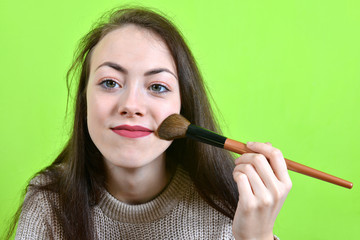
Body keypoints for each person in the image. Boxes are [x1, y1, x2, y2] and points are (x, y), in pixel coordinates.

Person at [10, 7, 292, 240]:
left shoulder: (229, 207)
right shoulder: (49, 202)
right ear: (84, 99)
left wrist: (257, 237)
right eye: (110, 82)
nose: (131, 105)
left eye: (157, 87)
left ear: (184, 104)